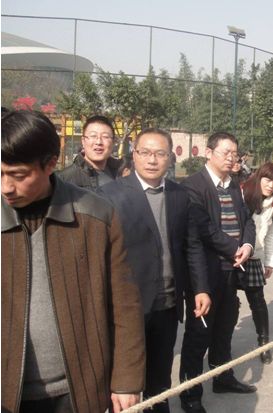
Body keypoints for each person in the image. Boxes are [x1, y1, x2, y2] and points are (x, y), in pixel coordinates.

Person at [1, 110, 145, 413]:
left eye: (18, 175)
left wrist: (127, 381)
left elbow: (125, 305)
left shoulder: (96, 215)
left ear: (50, 164)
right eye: (0, 173)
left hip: (76, 390)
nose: (6, 187)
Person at [97, 128, 210, 413]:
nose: (152, 160)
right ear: (134, 155)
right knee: (125, 381)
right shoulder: (110, 195)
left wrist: (201, 288)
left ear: (170, 157)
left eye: (160, 154)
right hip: (128, 307)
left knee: (160, 377)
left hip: (167, 305)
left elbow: (192, 245)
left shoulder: (179, 195)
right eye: (145, 152)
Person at [179, 132, 256, 413]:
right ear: (209, 153)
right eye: (225, 152)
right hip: (205, 272)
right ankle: (190, 393)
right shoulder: (192, 186)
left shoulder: (234, 185)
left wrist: (247, 245)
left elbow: (247, 220)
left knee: (224, 328)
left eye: (234, 153)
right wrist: (234, 248)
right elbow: (203, 228)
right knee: (199, 333)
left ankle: (223, 377)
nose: (231, 158)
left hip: (232, 270)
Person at [241, 163, 273, 364]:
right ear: (258, 178)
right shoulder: (243, 196)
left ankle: (264, 343)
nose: (271, 185)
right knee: (226, 304)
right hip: (233, 256)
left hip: (254, 257)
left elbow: (271, 236)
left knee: (258, 302)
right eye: (267, 179)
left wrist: (269, 262)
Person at [58, 115, 120, 190]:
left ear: (113, 143)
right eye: (93, 136)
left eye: (105, 137)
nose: (99, 142)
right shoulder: (66, 178)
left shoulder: (121, 173)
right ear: (83, 141)